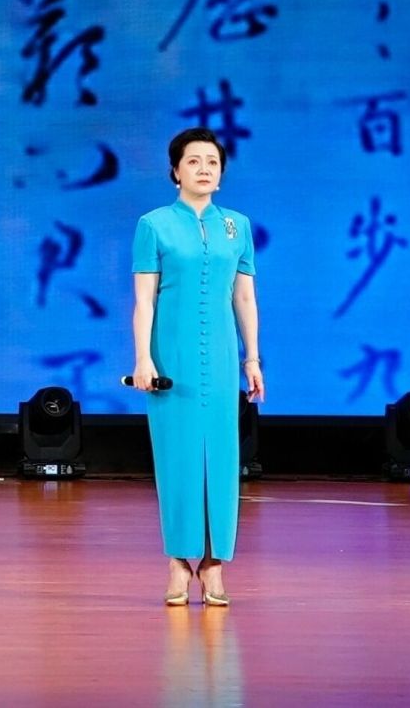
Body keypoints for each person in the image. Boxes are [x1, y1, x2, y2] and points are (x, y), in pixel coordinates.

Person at [130, 126, 264, 607]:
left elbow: (244, 297)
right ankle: (177, 561)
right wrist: (143, 358)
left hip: (223, 357)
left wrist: (252, 358)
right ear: (175, 171)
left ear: (221, 173)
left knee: (223, 461)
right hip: (173, 356)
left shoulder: (237, 226)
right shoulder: (154, 224)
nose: (204, 169)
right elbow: (144, 301)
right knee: (178, 459)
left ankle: (214, 564)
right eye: (193, 161)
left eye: (212, 162)